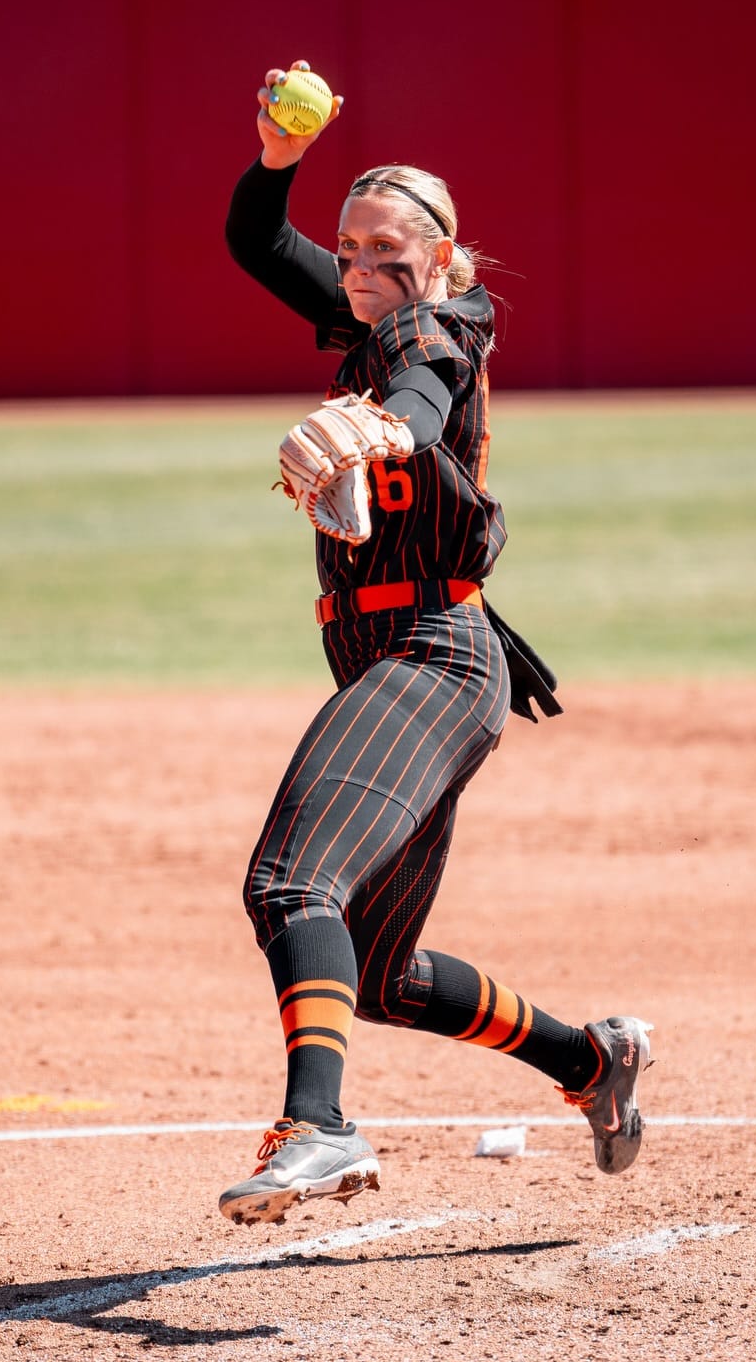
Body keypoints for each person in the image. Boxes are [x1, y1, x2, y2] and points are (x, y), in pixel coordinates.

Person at [218, 59, 652, 1226]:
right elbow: (260, 242)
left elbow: (420, 391)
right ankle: (593, 1062)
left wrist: (375, 435)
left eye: (388, 255)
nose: (361, 271)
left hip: (431, 658)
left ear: (444, 261)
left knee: (289, 881)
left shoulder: (436, 325)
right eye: (351, 250)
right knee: (381, 970)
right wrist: (276, 158)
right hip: (414, 656)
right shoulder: (369, 313)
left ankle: (318, 1127)